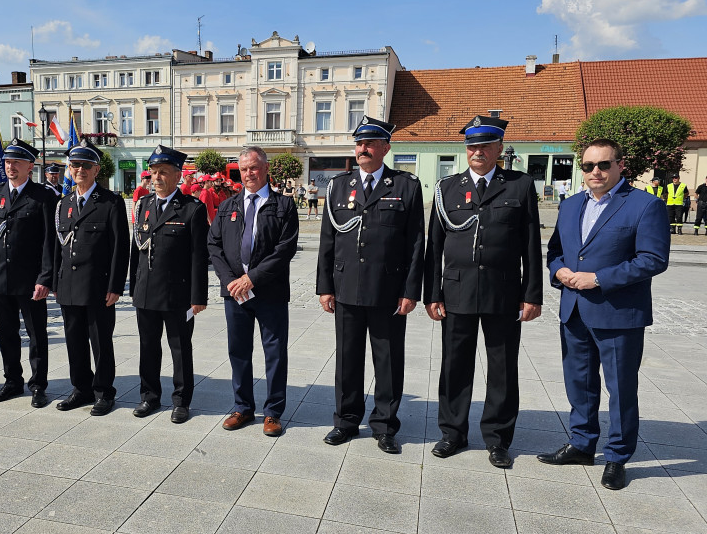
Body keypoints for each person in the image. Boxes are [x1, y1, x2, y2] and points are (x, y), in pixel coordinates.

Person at [541, 138, 670, 490]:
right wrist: (558, 271)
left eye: (603, 165)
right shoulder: (570, 206)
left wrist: (598, 278)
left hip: (619, 314)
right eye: (587, 166)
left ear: (620, 166)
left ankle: (617, 456)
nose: (595, 172)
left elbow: (653, 259)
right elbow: (555, 251)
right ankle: (582, 445)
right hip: (575, 311)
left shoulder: (646, 206)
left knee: (621, 389)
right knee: (579, 384)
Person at [423, 115, 543, 469]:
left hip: (503, 292)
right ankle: (452, 432)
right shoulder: (447, 188)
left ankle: (498, 438)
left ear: (498, 149)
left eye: (485, 146)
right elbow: (435, 246)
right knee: (454, 365)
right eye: (472, 146)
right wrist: (432, 293)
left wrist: (532, 294)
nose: (477, 152)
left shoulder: (519, 186)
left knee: (503, 368)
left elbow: (531, 245)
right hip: (457, 291)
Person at [316, 117, 425, 451]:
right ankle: (346, 421)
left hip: (387, 291)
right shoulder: (338, 186)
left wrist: (410, 291)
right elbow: (327, 240)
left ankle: (385, 425)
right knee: (347, 360)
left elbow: (416, 243)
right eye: (359, 143)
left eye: (371, 143)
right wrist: (324, 286)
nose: (363, 149)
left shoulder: (405, 185)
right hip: (346, 287)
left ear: (385, 148)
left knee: (388, 361)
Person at [208, 145, 299, 437]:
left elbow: (285, 249)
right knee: (239, 352)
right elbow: (214, 245)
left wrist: (252, 278)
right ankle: (243, 407)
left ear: (266, 168)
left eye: (255, 167)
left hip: (269, 292)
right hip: (235, 293)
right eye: (244, 169)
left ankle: (273, 412)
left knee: (274, 352)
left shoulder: (283, 205)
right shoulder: (228, 205)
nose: (249, 173)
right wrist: (229, 281)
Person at [130, 145, 209, 424]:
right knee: (148, 346)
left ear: (178, 175)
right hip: (146, 291)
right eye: (153, 172)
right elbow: (136, 250)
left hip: (178, 294)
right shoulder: (143, 206)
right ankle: (149, 396)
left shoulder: (192, 209)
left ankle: (181, 401)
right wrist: (133, 287)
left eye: (163, 172)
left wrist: (198, 296)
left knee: (180, 348)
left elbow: (200, 257)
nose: (156, 177)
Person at [0, 138, 56, 407]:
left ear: (29, 166)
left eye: (17, 162)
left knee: (36, 334)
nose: (11, 166)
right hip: (0, 278)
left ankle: (38, 385)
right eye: (8, 161)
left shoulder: (43, 196)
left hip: (30, 280)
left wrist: (45, 278)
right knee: (6, 333)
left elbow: (49, 242)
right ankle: (12, 381)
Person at [53, 139, 129, 416]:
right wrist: (54, 283)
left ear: (97, 170)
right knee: (74, 342)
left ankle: (103, 392)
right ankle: (81, 389)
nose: (80, 170)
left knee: (101, 343)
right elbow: (56, 248)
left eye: (86, 165)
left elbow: (120, 248)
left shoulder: (111, 203)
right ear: (69, 169)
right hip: (69, 287)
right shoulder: (63, 204)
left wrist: (116, 286)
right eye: (75, 165)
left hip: (99, 287)